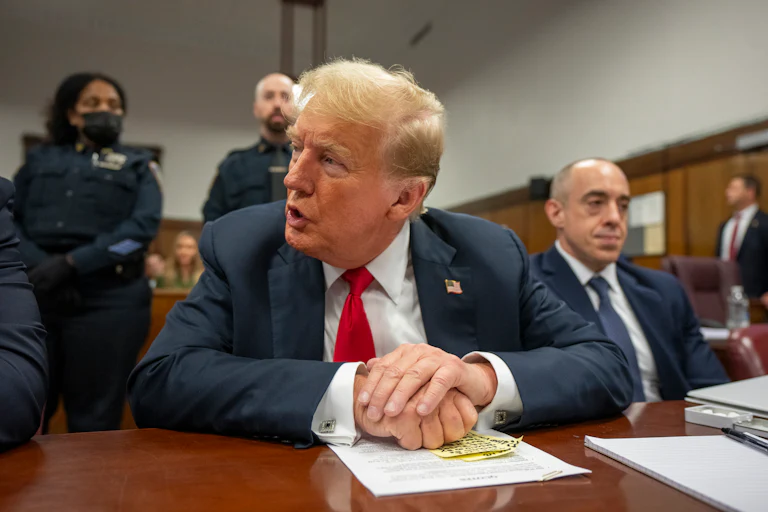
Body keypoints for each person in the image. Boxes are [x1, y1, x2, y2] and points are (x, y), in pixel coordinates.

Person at [129, 59, 632, 450]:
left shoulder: (488, 254)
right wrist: (354, 395)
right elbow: (161, 380)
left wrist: (478, 379)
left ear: (404, 198)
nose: (294, 179)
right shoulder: (244, 245)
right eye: (297, 148)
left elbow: (605, 365)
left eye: (330, 160)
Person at [13, 72, 162, 433]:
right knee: (24, 410)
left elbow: (140, 233)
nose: (105, 110)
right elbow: (9, 220)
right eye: (92, 103)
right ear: (71, 114)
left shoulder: (139, 164)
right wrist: (43, 267)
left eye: (114, 104)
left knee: (96, 418)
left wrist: (73, 264)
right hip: (38, 292)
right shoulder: (38, 161)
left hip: (110, 300)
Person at [530, 158, 729, 403]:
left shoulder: (665, 290)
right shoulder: (525, 286)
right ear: (556, 213)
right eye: (596, 203)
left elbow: (712, 389)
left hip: (674, 423)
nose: (615, 217)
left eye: (623, 205)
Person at [202, 73, 295, 222]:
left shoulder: (307, 162)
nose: (277, 104)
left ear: (295, 107)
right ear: (256, 108)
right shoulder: (233, 165)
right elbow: (213, 219)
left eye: (285, 97)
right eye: (269, 96)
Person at [0, 177, 47, 452]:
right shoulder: (36, 164)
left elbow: (18, 394)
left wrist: (74, 263)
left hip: (105, 294)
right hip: (40, 271)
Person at [716, 175, 768, 307]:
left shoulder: (764, 223)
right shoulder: (726, 225)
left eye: (733, 188)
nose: (727, 192)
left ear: (750, 192)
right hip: (724, 297)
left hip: (757, 300)